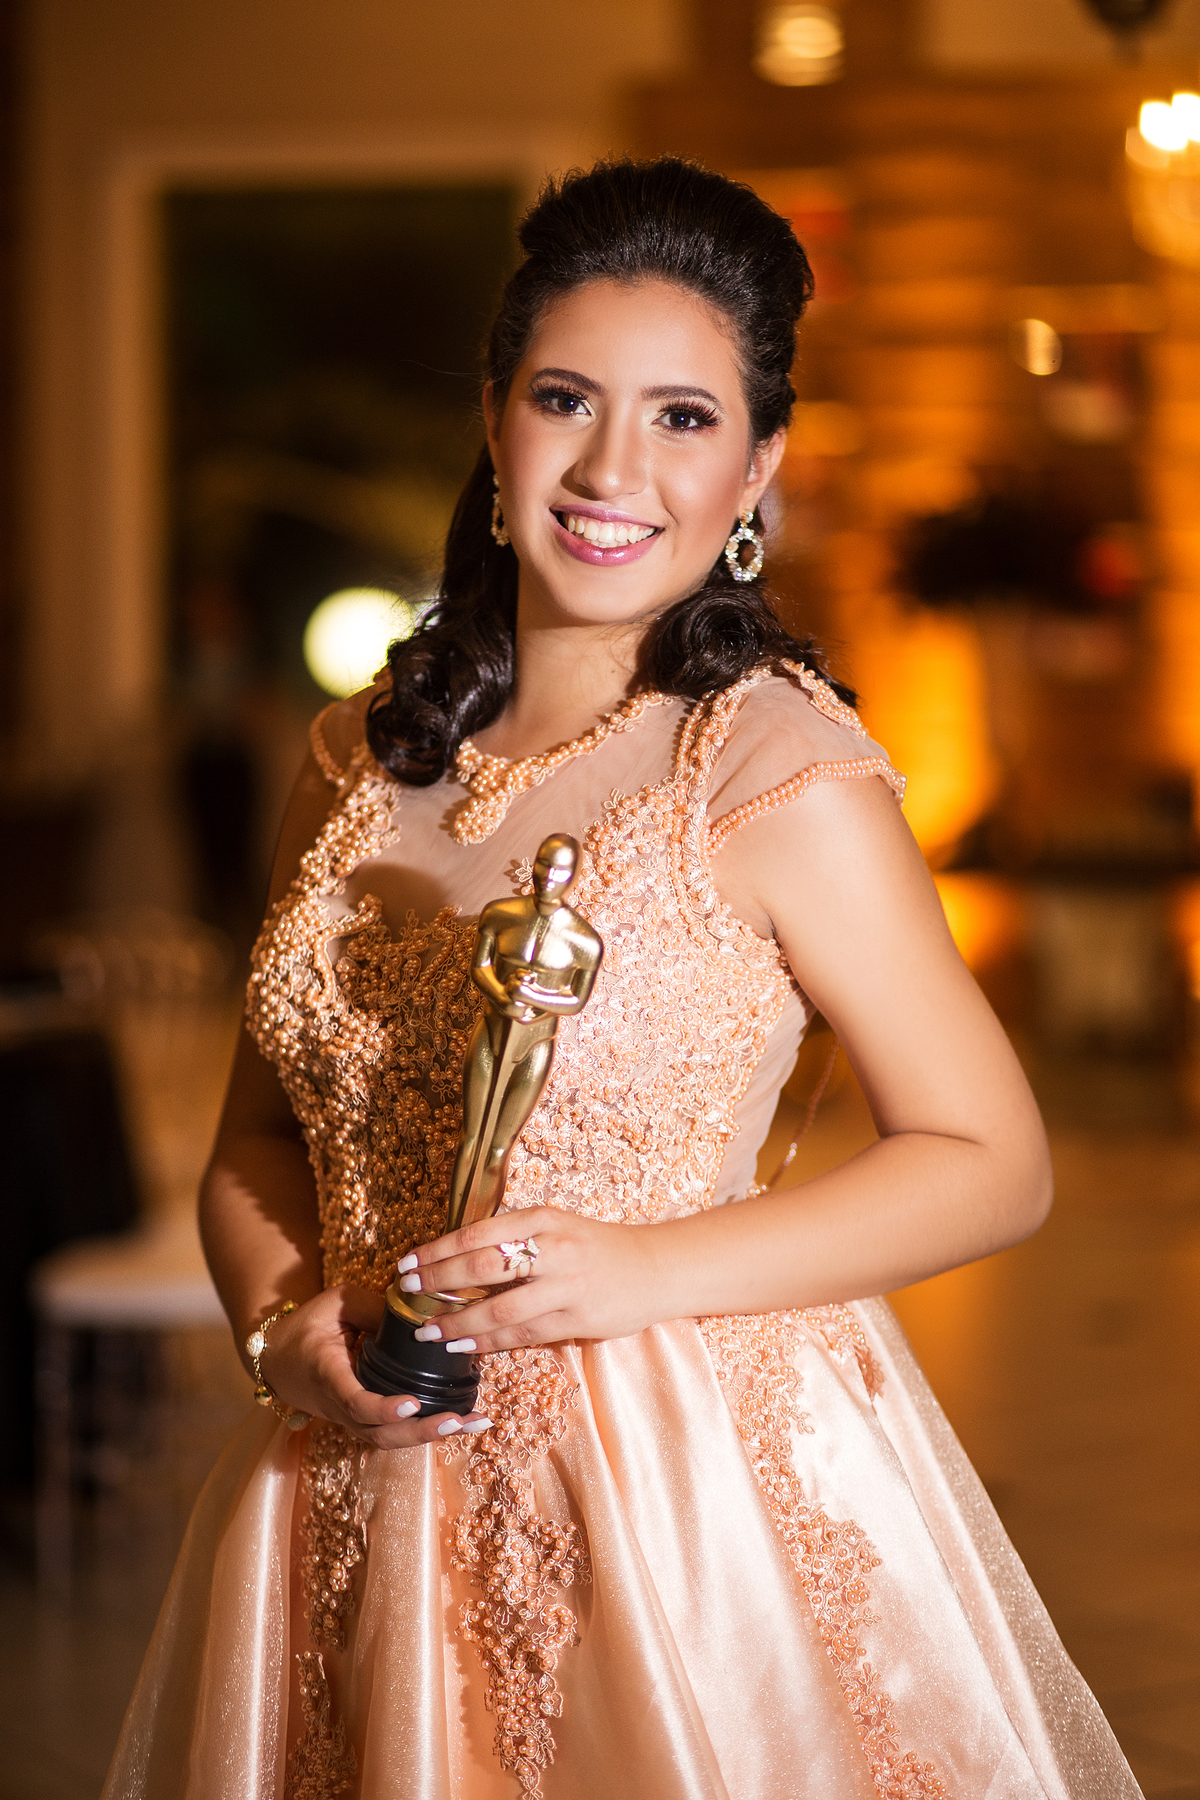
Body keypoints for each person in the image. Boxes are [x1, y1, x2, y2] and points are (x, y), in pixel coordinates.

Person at [104, 158, 1142, 1800]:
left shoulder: (773, 770)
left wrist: (641, 1273)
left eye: (682, 418)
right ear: (496, 421)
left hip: (668, 1509)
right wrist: (279, 1334)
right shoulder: (354, 762)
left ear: (757, 467)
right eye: (566, 399)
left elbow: (991, 1160)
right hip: (345, 1478)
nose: (611, 469)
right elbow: (257, 1137)